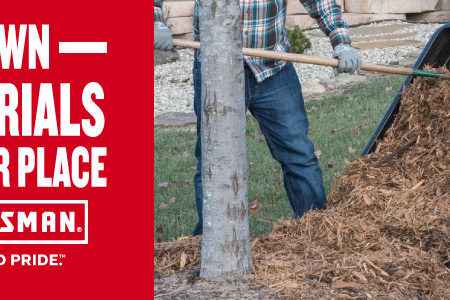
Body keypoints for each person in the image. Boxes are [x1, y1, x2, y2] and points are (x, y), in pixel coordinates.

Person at [153, 0, 362, 235]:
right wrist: (154, 22)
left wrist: (341, 41)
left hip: (272, 68)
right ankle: (210, 245)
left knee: (300, 155)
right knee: (213, 162)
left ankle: (316, 235)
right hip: (216, 70)